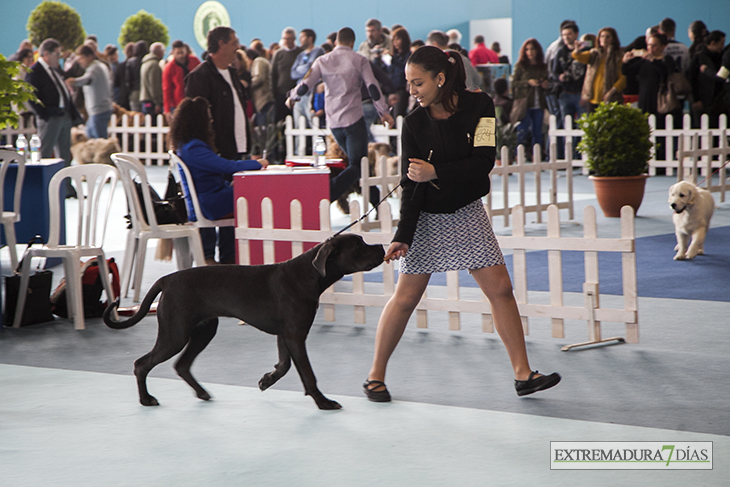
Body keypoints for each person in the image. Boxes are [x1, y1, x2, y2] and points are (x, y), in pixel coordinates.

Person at [363, 45, 560, 402]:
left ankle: (523, 374)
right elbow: (411, 186)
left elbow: (483, 161)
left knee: (500, 289)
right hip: (426, 218)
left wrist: (436, 171)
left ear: (440, 79)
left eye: (417, 83)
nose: (411, 91)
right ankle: (375, 376)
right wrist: (402, 235)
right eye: (409, 84)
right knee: (405, 298)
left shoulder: (480, 105)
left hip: (467, 211)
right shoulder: (414, 124)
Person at [286, 27, 394, 203]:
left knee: (358, 167)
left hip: (334, 123)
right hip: (354, 121)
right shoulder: (359, 60)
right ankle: (329, 191)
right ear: (352, 42)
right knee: (359, 166)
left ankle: (379, 206)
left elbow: (306, 83)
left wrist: (292, 97)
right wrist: (383, 112)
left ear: (336, 42)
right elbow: (373, 86)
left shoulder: (323, 60)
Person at [170, 97, 268, 265]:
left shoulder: (185, 145)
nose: (211, 120)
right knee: (253, 199)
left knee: (240, 195)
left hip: (209, 198)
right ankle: (235, 255)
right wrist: (257, 163)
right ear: (199, 121)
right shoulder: (194, 147)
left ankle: (229, 256)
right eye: (208, 117)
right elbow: (226, 166)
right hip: (209, 202)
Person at [185, 26, 254, 263]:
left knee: (234, 211)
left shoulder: (232, 73)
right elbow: (196, 118)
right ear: (222, 44)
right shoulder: (199, 76)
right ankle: (207, 259)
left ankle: (228, 261)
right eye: (234, 42)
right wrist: (210, 153)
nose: (238, 46)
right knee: (218, 205)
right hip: (217, 156)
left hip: (239, 150)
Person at [26, 38, 82, 197]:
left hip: (63, 116)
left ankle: (66, 189)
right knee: (44, 153)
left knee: (65, 155)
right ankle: (41, 189)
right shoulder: (35, 71)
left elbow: (64, 93)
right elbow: (31, 97)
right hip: (50, 117)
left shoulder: (55, 70)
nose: (59, 57)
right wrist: (44, 114)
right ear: (46, 54)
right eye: (57, 54)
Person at [622, 33, 677, 121]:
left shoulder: (667, 59)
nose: (650, 48)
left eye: (654, 45)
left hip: (659, 98)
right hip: (644, 98)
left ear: (662, 46)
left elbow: (665, 73)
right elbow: (628, 72)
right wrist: (625, 61)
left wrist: (652, 59)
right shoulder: (644, 61)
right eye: (648, 45)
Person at [572, 27, 626, 112]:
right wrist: (577, 50)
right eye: (602, 36)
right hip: (593, 98)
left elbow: (622, 78)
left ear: (613, 39)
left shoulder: (618, 56)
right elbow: (579, 57)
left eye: (607, 37)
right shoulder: (594, 53)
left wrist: (611, 92)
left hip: (610, 99)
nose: (604, 39)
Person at [512, 38, 549, 157]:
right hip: (524, 103)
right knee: (522, 130)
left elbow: (549, 82)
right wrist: (527, 82)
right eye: (527, 49)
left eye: (532, 49)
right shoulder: (520, 66)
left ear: (537, 50)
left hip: (539, 103)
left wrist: (545, 84)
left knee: (538, 132)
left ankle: (536, 157)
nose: (530, 52)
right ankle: (519, 156)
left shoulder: (543, 66)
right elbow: (513, 83)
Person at [290, 29, 325, 130]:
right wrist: (305, 68)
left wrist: (302, 68)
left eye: (302, 37)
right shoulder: (300, 55)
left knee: (314, 124)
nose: (300, 39)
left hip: (311, 94)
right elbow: (293, 73)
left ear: (310, 38)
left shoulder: (318, 51)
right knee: (298, 125)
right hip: (299, 95)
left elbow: (311, 68)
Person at [162, 40, 201, 123]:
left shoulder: (195, 61)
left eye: (182, 52)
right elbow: (166, 89)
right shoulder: (169, 68)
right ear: (173, 53)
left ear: (185, 51)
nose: (180, 55)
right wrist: (167, 109)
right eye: (178, 53)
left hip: (195, 100)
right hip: (178, 103)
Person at [270, 27, 302, 122]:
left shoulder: (300, 52)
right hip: (281, 93)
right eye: (285, 38)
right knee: (281, 120)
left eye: (289, 38)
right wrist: (273, 92)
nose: (287, 41)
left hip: (296, 93)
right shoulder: (278, 54)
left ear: (294, 39)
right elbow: (273, 74)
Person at [248, 48, 275, 127]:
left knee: (263, 128)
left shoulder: (258, 61)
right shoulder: (263, 61)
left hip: (264, 100)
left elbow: (259, 78)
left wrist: (247, 85)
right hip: (265, 100)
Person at [139, 42, 165, 117]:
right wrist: (157, 103)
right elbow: (154, 85)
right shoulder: (154, 65)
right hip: (152, 101)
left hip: (145, 99)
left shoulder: (145, 63)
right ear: (159, 52)